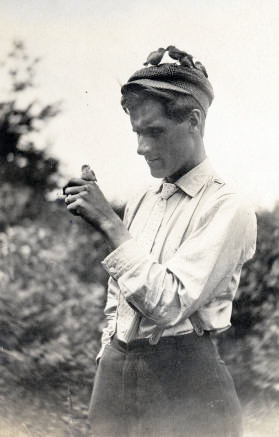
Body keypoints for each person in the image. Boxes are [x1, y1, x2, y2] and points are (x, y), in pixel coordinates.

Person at [63, 46, 257, 437]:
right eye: (137, 132)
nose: (141, 147)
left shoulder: (228, 207)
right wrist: (108, 360)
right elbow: (118, 300)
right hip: (117, 375)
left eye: (154, 131)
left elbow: (170, 304)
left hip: (186, 387)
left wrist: (107, 222)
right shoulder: (141, 200)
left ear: (194, 121)